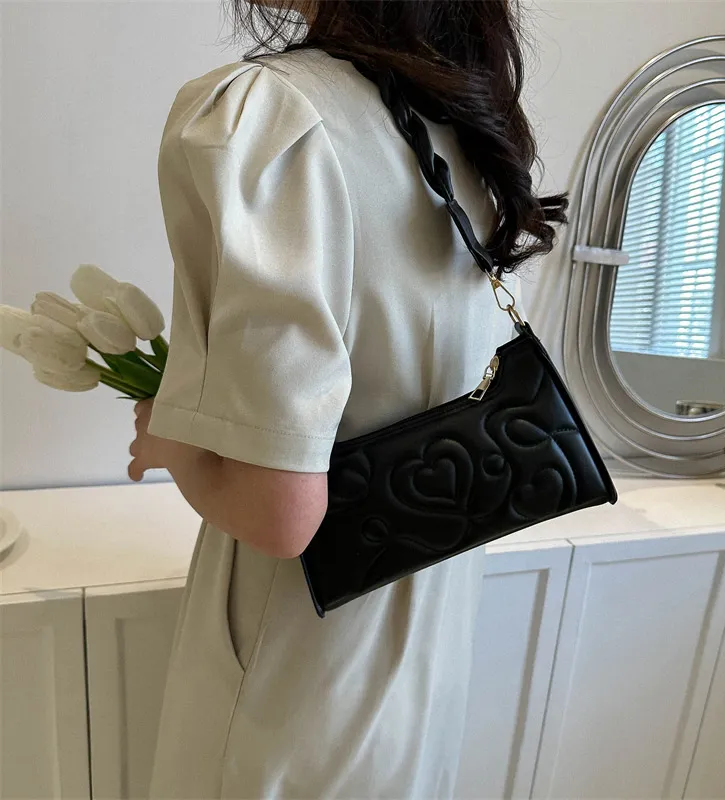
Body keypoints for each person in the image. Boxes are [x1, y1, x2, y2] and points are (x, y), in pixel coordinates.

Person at [128, 1, 567, 797]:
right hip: (423, 665)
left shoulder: (271, 119)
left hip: (294, 676)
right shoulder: (456, 115)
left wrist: (169, 440)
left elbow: (278, 512)